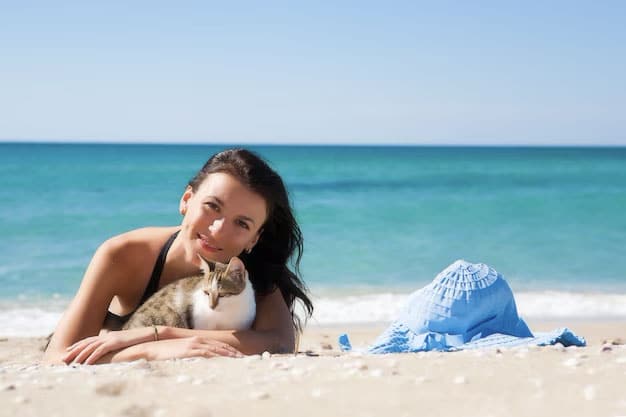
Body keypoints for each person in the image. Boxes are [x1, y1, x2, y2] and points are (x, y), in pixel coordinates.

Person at [44, 148, 313, 365]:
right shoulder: (124, 254)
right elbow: (58, 357)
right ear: (186, 200)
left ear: (255, 237)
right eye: (212, 206)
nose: (218, 230)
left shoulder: (250, 270)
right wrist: (153, 350)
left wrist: (162, 336)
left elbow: (279, 343)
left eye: (242, 224)